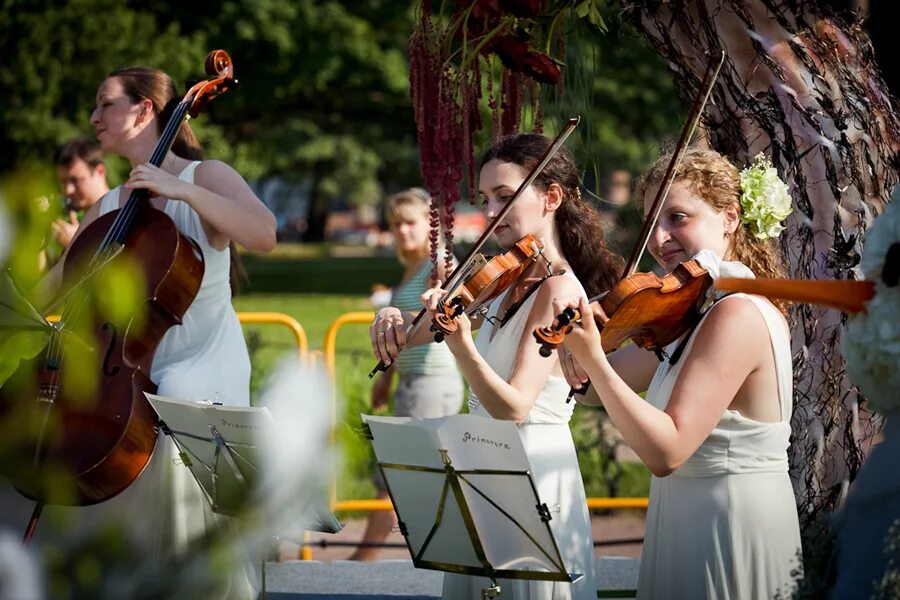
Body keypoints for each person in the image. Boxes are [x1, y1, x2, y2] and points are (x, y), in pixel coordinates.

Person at [18, 65, 276, 598]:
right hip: (134, 382)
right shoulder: (109, 207)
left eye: (104, 103)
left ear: (144, 110)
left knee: (175, 407)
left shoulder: (208, 176)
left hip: (203, 372)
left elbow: (264, 233)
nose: (93, 117)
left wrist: (176, 190)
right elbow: (47, 289)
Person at [371, 133, 623, 599]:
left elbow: (514, 408)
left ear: (551, 197)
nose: (490, 213)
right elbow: (421, 326)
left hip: (531, 474)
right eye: (486, 199)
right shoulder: (503, 277)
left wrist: (463, 350)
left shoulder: (559, 291)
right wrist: (391, 316)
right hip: (483, 465)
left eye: (505, 197)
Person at [553, 148, 802, 599]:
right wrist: (582, 347)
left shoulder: (737, 314)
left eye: (678, 217)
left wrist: (591, 359)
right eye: (652, 222)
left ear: (730, 218)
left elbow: (667, 451)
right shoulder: (692, 313)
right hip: (687, 515)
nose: (659, 238)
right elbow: (593, 391)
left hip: (726, 524)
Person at [350, 188, 464, 561]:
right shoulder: (412, 267)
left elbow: (454, 308)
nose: (402, 231)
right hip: (413, 382)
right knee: (410, 474)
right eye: (396, 224)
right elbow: (402, 335)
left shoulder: (440, 263)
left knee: (397, 474)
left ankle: (363, 560)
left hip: (432, 381)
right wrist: (386, 378)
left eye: (411, 223)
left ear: (430, 225)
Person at [51, 137, 110, 252]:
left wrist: (77, 244)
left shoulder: (122, 211)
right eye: (63, 181)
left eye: (75, 180)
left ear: (100, 171)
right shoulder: (71, 219)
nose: (68, 190)